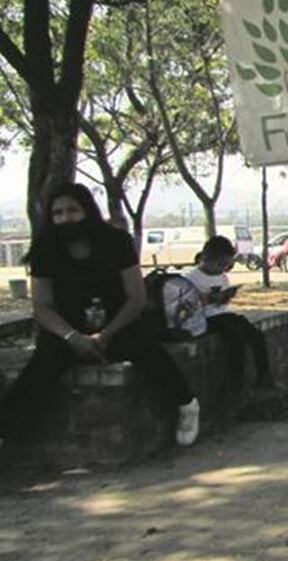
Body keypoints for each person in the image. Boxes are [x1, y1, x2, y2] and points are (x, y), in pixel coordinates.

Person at [0, 183, 199, 448]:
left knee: (147, 351)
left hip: (119, 324)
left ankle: (186, 404)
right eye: (57, 212)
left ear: (87, 211)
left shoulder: (116, 242)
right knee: (40, 368)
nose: (65, 218)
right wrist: (73, 337)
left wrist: (105, 334)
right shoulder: (45, 250)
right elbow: (43, 307)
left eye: (72, 210)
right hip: (67, 332)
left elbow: (136, 298)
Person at [185, 236, 272, 388]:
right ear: (206, 259)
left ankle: (264, 375)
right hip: (205, 318)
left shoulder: (222, 277)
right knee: (234, 336)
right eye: (220, 264)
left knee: (254, 334)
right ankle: (237, 379)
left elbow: (223, 304)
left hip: (223, 314)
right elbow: (189, 305)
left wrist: (226, 296)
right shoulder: (191, 279)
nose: (222, 268)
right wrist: (211, 299)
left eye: (226, 265)